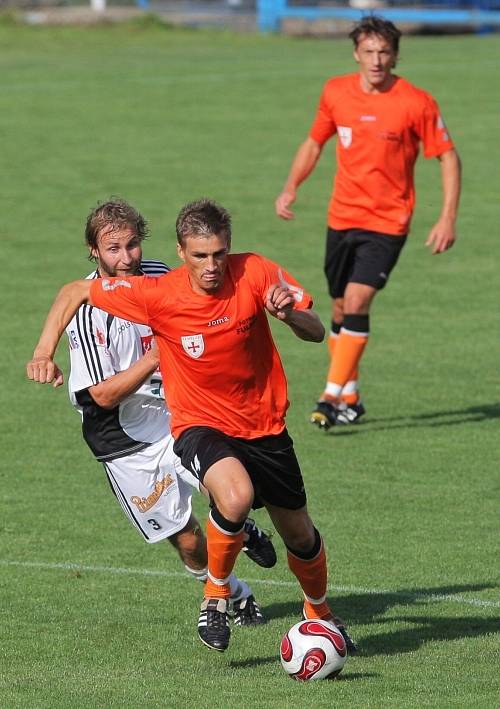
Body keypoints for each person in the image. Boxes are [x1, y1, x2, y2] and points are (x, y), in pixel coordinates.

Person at [27, 198, 357, 654]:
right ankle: (221, 595)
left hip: (256, 421)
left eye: (218, 254)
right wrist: (45, 354)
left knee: (298, 532)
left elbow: (317, 331)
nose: (211, 265)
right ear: (184, 251)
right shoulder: (144, 297)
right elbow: (99, 389)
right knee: (211, 515)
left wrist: (289, 315)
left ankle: (318, 613)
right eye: (200, 255)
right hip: (137, 431)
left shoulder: (245, 272)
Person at [45, 199, 277, 628]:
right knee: (187, 540)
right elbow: (103, 397)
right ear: (94, 251)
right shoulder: (89, 314)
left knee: (226, 486)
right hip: (122, 437)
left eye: (132, 245)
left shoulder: (159, 277)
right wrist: (155, 359)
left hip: (177, 413)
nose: (126, 257)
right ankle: (239, 589)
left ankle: (234, 543)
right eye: (113, 249)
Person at [275, 15, 461, 430]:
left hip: (388, 221)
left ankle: (330, 396)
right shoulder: (335, 92)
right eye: (369, 52)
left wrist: (447, 216)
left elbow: (448, 156)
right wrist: (291, 186)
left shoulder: (417, 102)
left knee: (358, 302)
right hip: (341, 217)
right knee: (340, 306)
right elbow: (314, 141)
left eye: (385, 52)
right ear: (356, 53)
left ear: (395, 55)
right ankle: (351, 398)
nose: (377, 60)